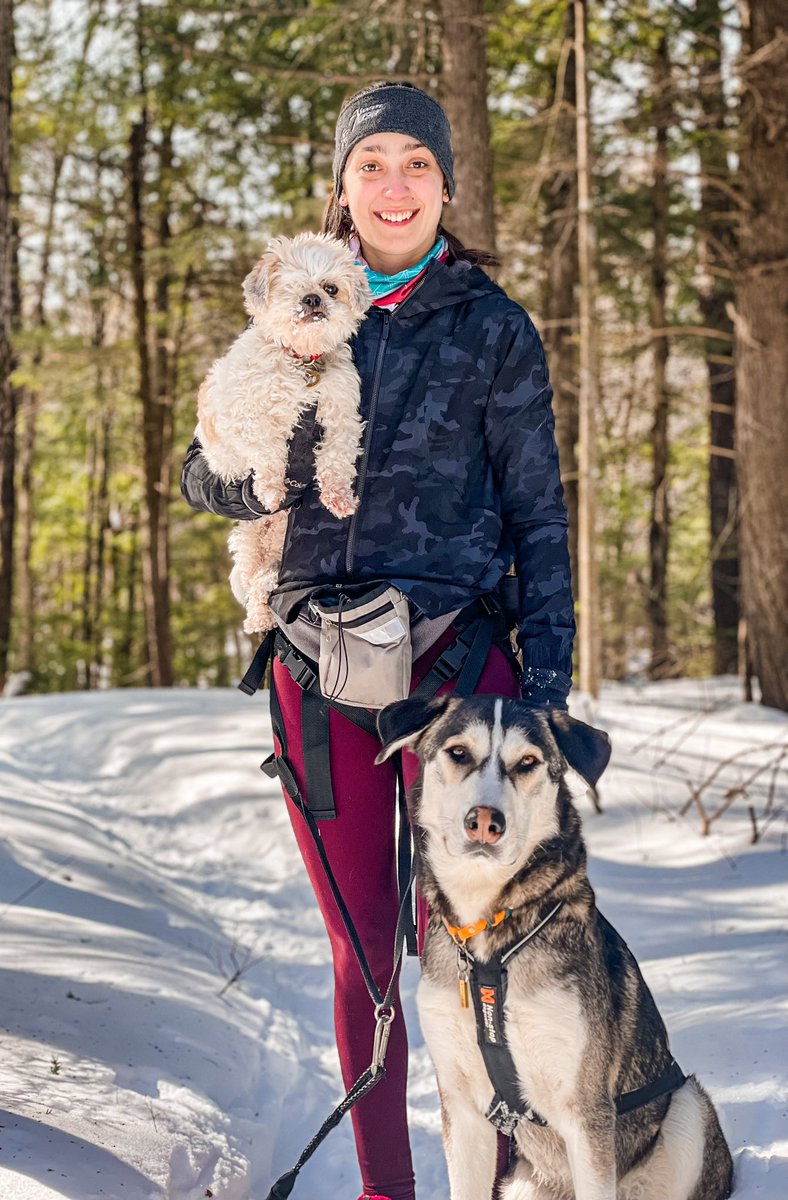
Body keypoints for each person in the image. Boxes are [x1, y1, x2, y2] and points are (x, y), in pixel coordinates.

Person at [181, 81, 575, 1200]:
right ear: (343, 185)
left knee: (480, 941)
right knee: (366, 951)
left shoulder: (494, 328)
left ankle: (498, 1179)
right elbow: (202, 467)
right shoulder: (295, 305)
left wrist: (546, 686)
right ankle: (385, 1188)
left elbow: (540, 515)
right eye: (372, 164)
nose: (394, 185)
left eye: (416, 163)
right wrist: (255, 480)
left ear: (446, 184)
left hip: (462, 673)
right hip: (318, 670)